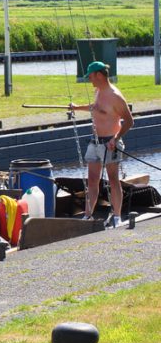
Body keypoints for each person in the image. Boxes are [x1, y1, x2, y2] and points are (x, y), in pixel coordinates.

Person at [70, 61, 134, 227]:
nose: (89, 80)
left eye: (90, 76)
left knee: (113, 179)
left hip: (110, 143)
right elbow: (96, 107)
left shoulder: (115, 96)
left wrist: (116, 138)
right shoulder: (98, 90)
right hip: (95, 141)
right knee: (92, 179)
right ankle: (88, 215)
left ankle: (117, 217)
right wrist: (77, 108)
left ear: (98, 75)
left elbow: (129, 121)